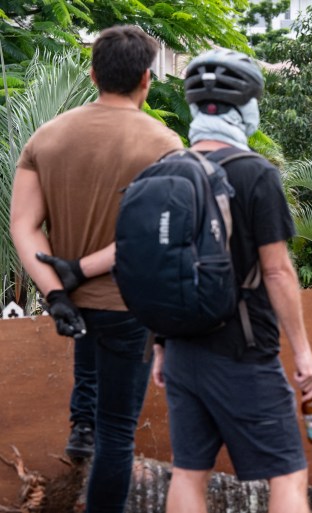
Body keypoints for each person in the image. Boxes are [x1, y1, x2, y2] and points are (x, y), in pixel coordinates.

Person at [10, 25, 184, 513]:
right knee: (118, 433)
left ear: (93, 74)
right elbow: (155, 238)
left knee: (89, 351)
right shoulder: (165, 145)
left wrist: (56, 291)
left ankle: (80, 427)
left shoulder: (48, 136)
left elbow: (23, 225)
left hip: (74, 303)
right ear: (147, 79)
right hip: (130, 304)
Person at [149, 49, 312, 513]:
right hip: (243, 352)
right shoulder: (256, 174)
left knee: (188, 474)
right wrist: (303, 352)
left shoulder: (167, 170)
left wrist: (162, 346)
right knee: (287, 472)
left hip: (183, 350)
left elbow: (161, 266)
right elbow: (277, 270)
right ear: (245, 107)